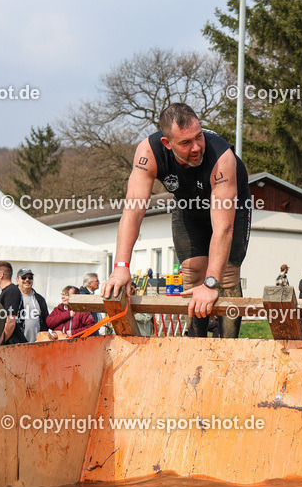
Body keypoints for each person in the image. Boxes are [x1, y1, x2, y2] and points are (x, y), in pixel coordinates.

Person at [101, 102, 251, 339]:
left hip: (230, 208)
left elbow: (223, 229)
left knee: (226, 275)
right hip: (188, 206)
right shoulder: (148, 152)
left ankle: (228, 346)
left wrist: (211, 283)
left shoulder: (222, 158)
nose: (196, 147)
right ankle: (195, 344)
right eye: (185, 143)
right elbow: (133, 211)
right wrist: (121, 267)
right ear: (167, 144)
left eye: (198, 137)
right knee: (192, 271)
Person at [0, 261, 27, 344]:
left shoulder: (11, 291)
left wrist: (0, 342)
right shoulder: (7, 291)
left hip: (12, 343)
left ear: (1, 275)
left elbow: (11, 322)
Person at [14, 268, 48, 343]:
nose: (27, 280)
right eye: (23, 277)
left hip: (36, 344)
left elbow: (45, 321)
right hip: (15, 345)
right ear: (17, 279)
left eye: (30, 277)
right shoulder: (12, 297)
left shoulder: (39, 299)